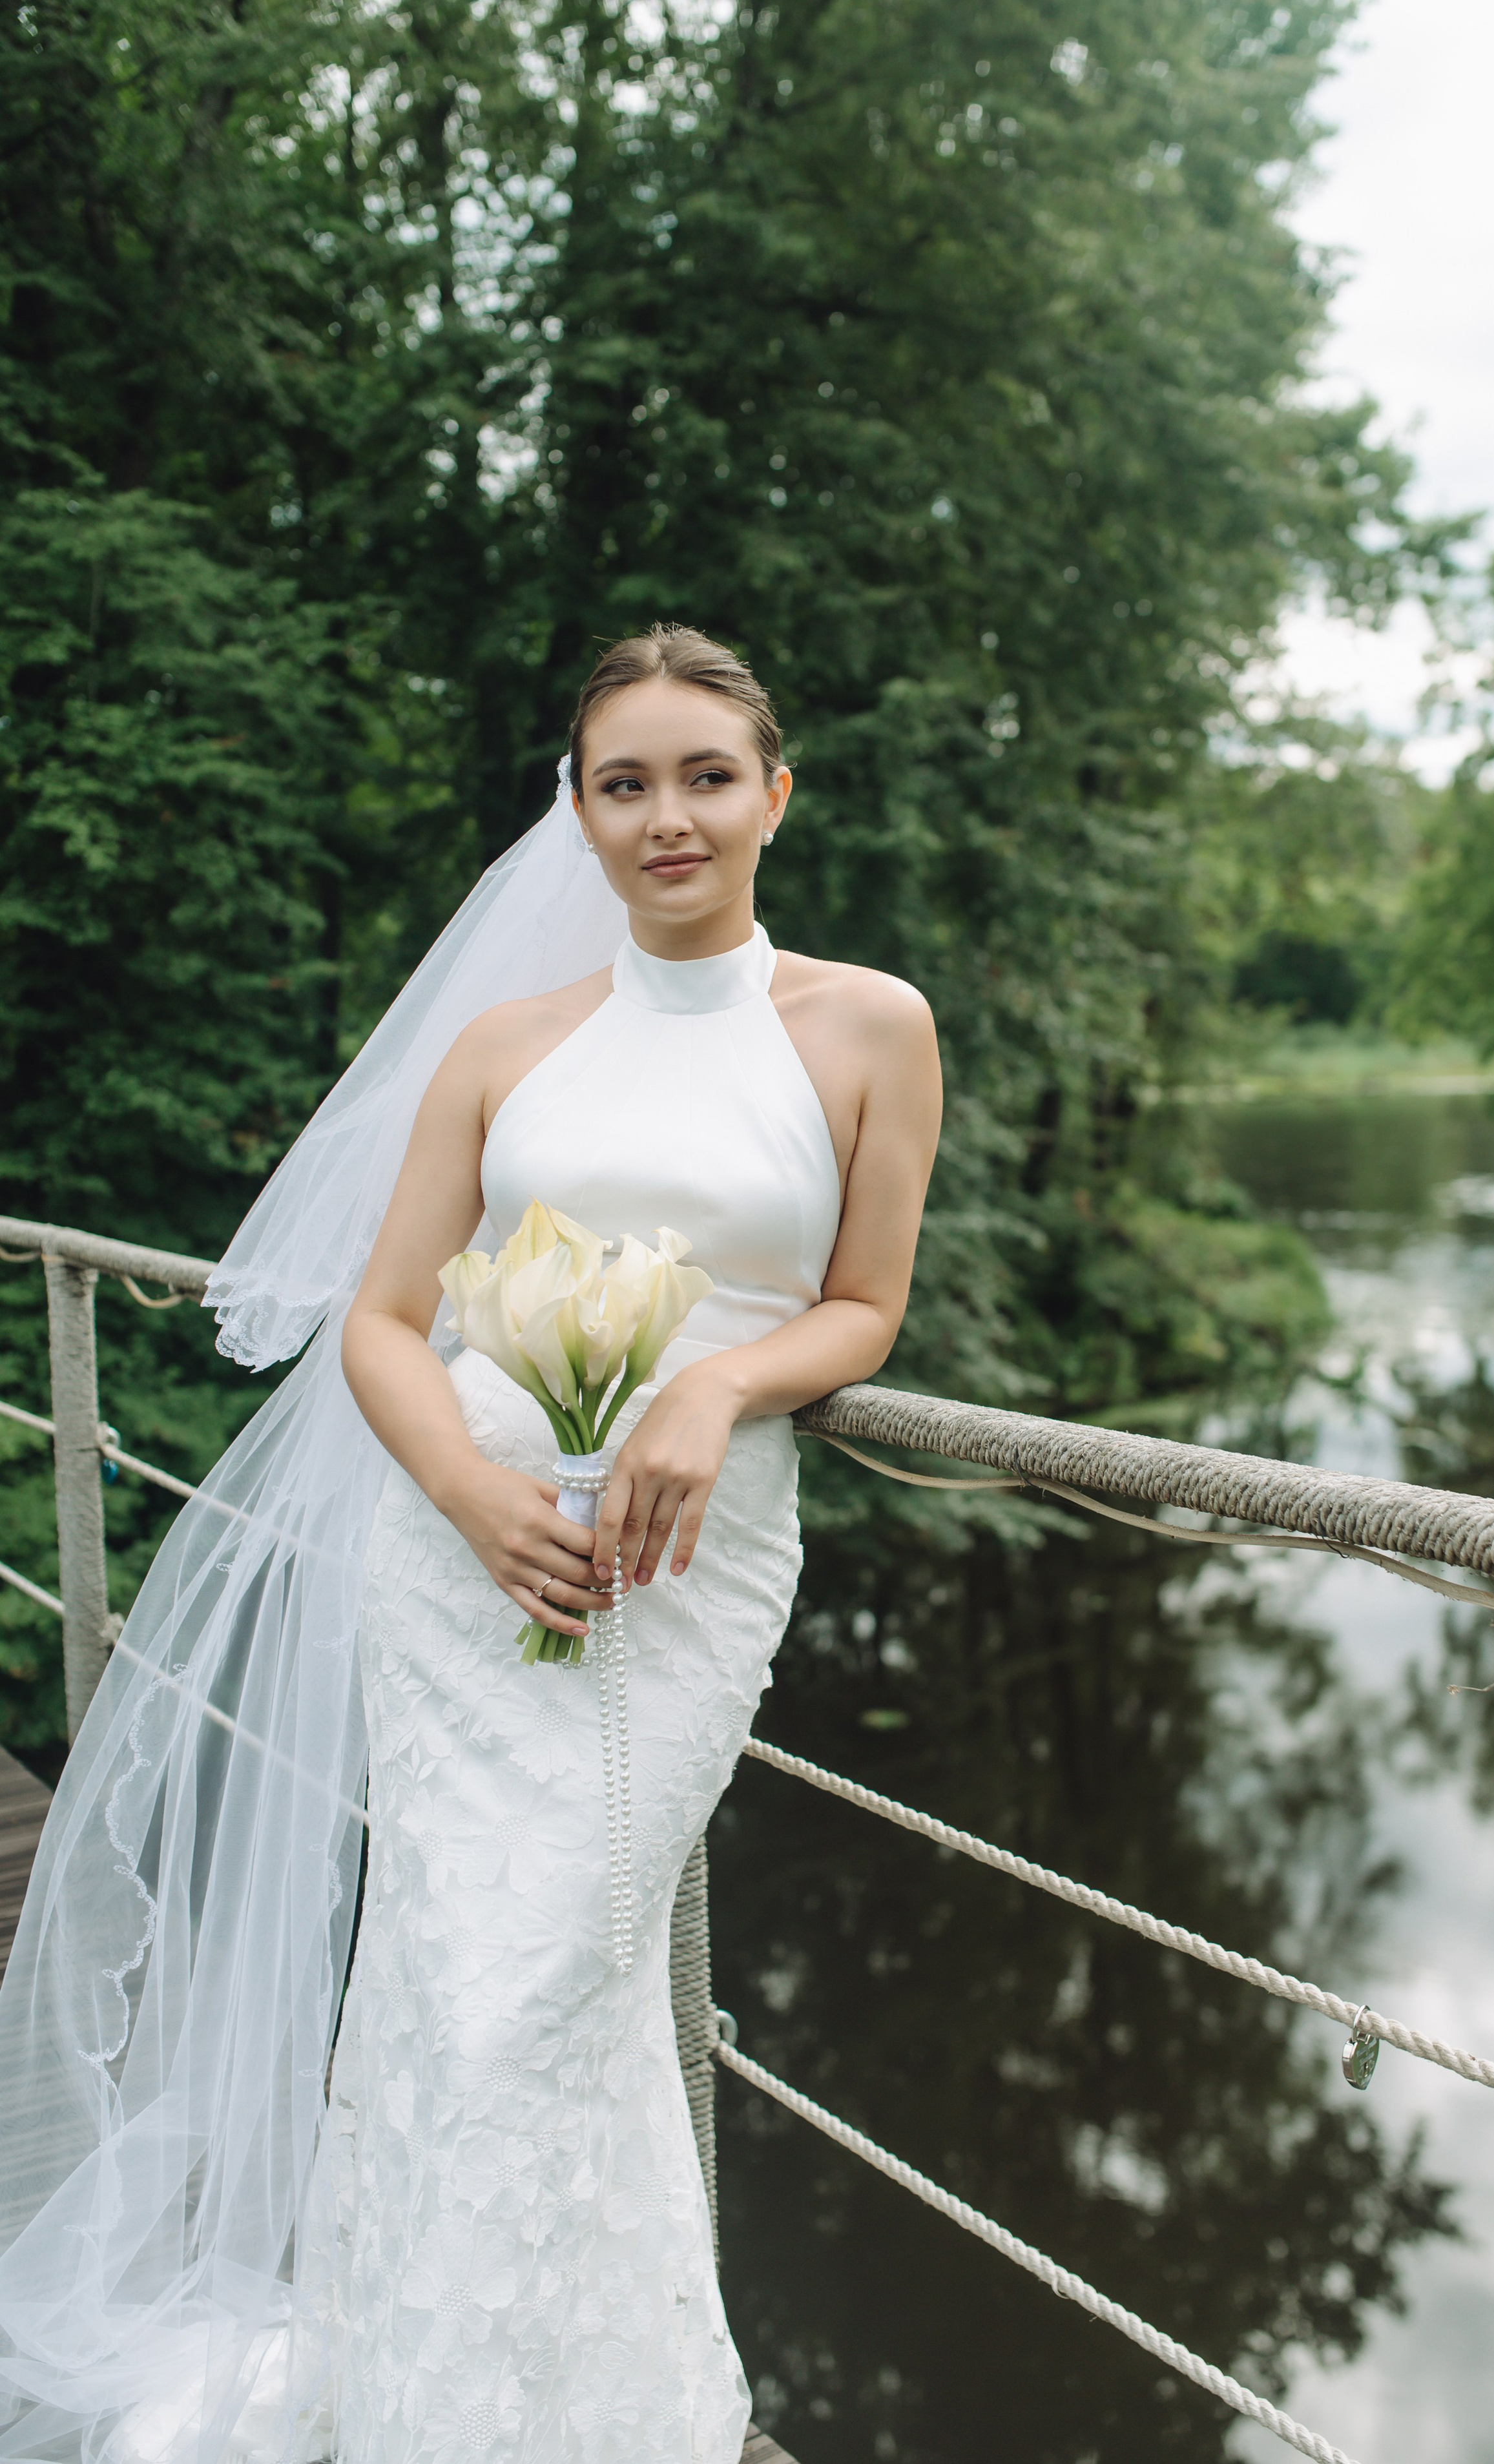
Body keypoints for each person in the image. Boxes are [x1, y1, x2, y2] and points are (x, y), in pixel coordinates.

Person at [0, 625, 940, 2464]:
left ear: (776, 794)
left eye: (704, 776)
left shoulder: (868, 1024)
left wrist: (716, 1386)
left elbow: (867, 1306)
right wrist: (470, 1494)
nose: (667, 816)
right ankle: (448, 2385)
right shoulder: (508, 1042)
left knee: (549, 1968)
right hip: (463, 1558)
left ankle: (579, 2406)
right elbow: (381, 1316)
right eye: (624, 783)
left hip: (689, 1565)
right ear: (578, 813)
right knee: (449, 1963)